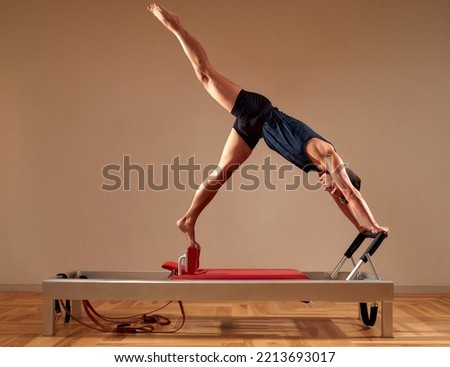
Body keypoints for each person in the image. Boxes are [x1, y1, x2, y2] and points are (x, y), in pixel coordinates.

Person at [147, 3, 389, 249]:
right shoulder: (328, 156)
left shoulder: (323, 170)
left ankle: (188, 220)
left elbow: (345, 199)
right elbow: (350, 194)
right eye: (336, 191)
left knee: (221, 173)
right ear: (341, 179)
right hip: (258, 111)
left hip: (256, 130)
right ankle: (175, 26)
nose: (330, 193)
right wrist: (374, 224)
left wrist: (359, 227)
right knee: (205, 74)